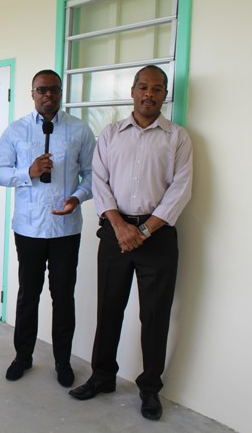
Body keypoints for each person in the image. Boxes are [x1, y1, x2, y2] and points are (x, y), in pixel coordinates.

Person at [69, 65, 193, 421]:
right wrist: (120, 226)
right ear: (132, 91)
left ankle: (150, 388)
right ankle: (103, 376)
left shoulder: (178, 138)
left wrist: (145, 231)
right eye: (143, 87)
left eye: (157, 88)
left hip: (157, 236)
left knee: (155, 316)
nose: (149, 94)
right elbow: (100, 181)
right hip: (115, 231)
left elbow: (180, 192)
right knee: (108, 308)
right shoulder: (109, 134)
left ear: (164, 95)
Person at [0, 69, 95, 387]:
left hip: (66, 228)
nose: (48, 95)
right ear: (32, 93)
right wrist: (29, 171)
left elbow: (93, 174)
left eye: (54, 89)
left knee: (63, 297)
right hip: (29, 229)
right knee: (28, 295)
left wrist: (77, 198)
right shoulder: (16, 131)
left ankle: (62, 361)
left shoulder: (79, 130)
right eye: (42, 90)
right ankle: (23, 356)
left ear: (61, 92)